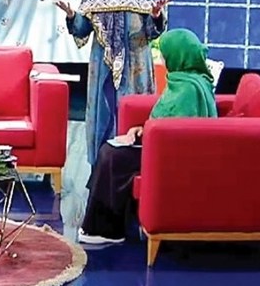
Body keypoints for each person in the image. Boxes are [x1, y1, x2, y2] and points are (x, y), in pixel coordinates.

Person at [78, 28, 218, 244]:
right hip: (158, 144)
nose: (162, 60)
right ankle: (99, 226)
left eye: (165, 54)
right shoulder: (183, 79)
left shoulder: (190, 89)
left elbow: (179, 131)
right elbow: (167, 121)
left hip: (172, 155)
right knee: (109, 151)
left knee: (113, 156)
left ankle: (107, 230)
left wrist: (146, 134)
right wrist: (140, 130)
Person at [56, 0, 172, 166]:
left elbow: (153, 32)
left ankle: (134, 168)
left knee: (132, 113)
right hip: (103, 66)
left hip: (136, 66)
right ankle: (101, 169)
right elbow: (83, 28)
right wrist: (72, 16)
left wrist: (156, 16)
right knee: (104, 113)